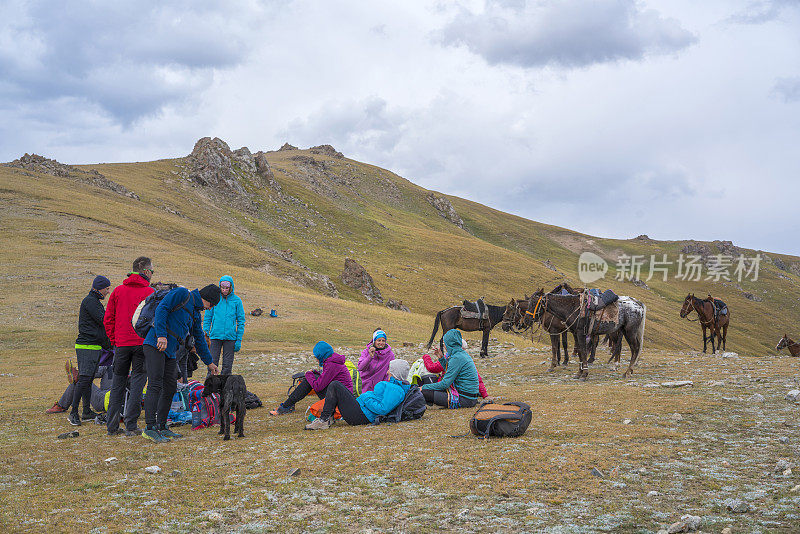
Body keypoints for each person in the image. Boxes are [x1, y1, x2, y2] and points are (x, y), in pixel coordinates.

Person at [141, 284, 220, 443]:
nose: (210, 309)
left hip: (170, 351)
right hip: (155, 344)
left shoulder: (195, 313)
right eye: (212, 305)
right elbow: (161, 309)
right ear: (208, 299)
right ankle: (149, 428)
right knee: (155, 384)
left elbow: (199, 339)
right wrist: (161, 335)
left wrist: (210, 363)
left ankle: (162, 426)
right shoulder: (182, 293)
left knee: (170, 387)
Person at [103, 256, 155, 436]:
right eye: (152, 272)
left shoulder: (118, 291)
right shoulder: (150, 293)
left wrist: (114, 340)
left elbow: (108, 319)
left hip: (122, 345)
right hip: (142, 344)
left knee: (117, 384)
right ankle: (131, 426)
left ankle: (111, 426)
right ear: (146, 272)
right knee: (137, 385)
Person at [305, 359, 411, 430]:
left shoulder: (396, 390)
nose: (388, 372)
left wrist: (366, 398)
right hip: (361, 410)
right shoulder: (394, 386)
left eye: (390, 369)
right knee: (336, 386)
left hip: (361, 416)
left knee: (335, 385)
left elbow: (383, 409)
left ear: (396, 372)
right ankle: (329, 418)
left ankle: (324, 420)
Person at [69, 276, 112, 426]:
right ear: (99, 288)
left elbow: (102, 327)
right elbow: (104, 321)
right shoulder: (90, 302)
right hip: (86, 346)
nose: (108, 291)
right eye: (107, 288)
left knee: (88, 379)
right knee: (84, 379)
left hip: (94, 346)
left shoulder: (95, 302)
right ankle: (73, 412)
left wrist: (109, 344)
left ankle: (86, 411)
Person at [269, 341, 353, 415]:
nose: (316, 359)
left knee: (308, 381)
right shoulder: (332, 361)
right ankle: (287, 406)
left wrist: (308, 374)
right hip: (341, 395)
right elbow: (327, 378)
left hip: (341, 400)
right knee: (310, 379)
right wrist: (314, 373)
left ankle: (286, 407)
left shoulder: (332, 364)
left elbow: (318, 387)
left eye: (316, 356)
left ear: (321, 355)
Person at [421, 330, 480, 409]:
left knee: (424, 392)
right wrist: (441, 358)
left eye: (445, 342)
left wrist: (423, 387)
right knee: (429, 383)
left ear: (450, 343)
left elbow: (445, 384)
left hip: (465, 399)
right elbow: (451, 370)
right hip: (469, 396)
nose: (444, 345)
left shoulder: (457, 357)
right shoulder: (460, 353)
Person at [202, 275, 245, 376]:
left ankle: (225, 389)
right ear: (219, 287)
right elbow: (207, 318)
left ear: (231, 288)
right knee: (212, 365)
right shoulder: (215, 298)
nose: (224, 290)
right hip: (215, 337)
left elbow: (241, 321)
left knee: (227, 367)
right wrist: (205, 334)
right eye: (222, 288)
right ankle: (210, 388)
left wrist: (238, 339)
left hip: (230, 338)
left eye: (227, 288)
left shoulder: (237, 301)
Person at [48, 350, 113, 415]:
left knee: (81, 380)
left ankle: (80, 375)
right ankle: (81, 374)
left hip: (104, 401)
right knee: (108, 369)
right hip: (108, 393)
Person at [422, 342, 490, 400]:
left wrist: (426, 356)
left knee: (425, 391)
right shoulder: (466, 358)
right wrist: (485, 395)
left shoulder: (453, 358)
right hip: (466, 393)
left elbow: (432, 368)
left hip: (457, 393)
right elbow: (478, 379)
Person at [358, 329, 395, 393]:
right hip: (364, 385)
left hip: (380, 388)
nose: (381, 343)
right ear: (374, 341)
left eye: (383, 341)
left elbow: (390, 372)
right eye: (379, 340)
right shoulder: (366, 352)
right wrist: (370, 357)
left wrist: (384, 387)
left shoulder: (390, 355)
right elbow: (361, 368)